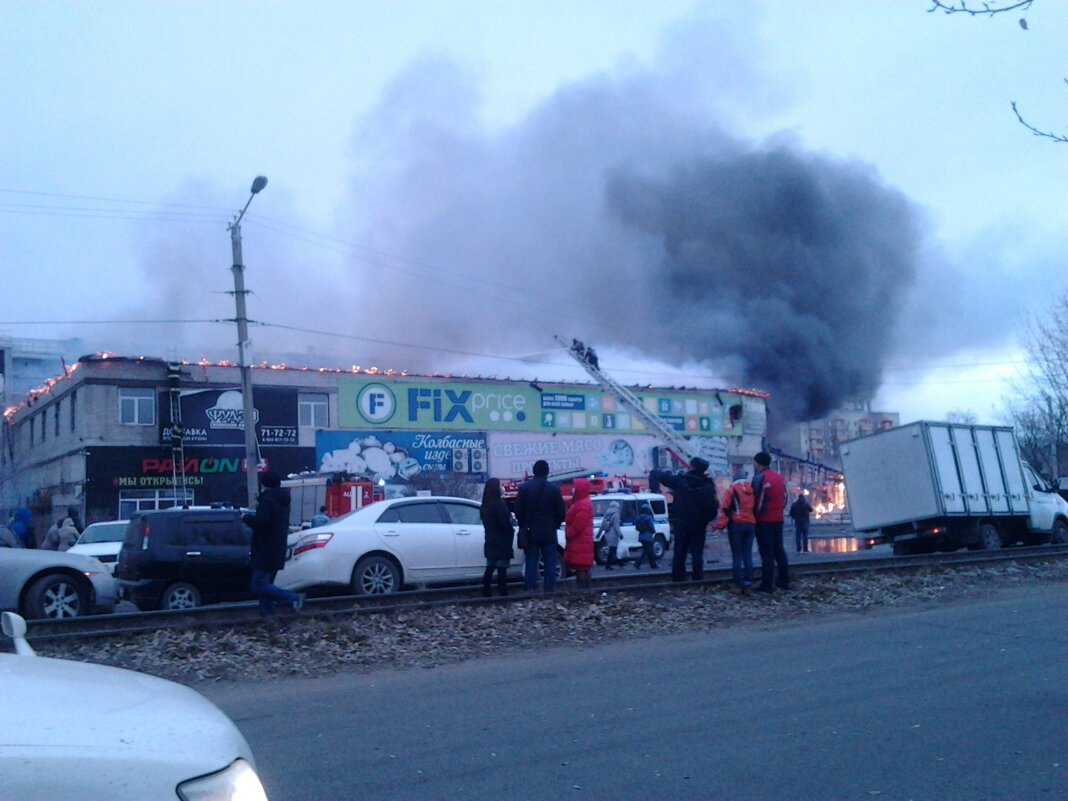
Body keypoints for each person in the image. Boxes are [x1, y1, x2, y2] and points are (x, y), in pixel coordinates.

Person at [242, 470, 305, 616]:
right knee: (267, 585)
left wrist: (246, 518)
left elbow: (261, 523)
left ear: (264, 484)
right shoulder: (282, 500)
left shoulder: (267, 501)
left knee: (258, 585)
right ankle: (267, 616)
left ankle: (293, 598)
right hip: (277, 547)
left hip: (265, 549)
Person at [650, 457, 719, 582]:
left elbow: (664, 478)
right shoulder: (708, 486)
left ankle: (678, 579)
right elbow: (713, 508)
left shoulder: (681, 481)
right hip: (699, 525)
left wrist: (654, 471)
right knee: (697, 554)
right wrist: (705, 520)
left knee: (679, 553)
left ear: (692, 467)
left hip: (681, 523)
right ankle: (697, 579)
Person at [514, 459, 566, 593]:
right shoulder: (554, 488)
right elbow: (561, 511)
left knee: (531, 560)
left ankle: (530, 588)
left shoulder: (525, 487)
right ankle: (549, 588)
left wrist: (524, 524)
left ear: (534, 471)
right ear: (547, 472)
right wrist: (555, 524)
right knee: (550, 560)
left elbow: (518, 509)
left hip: (531, 530)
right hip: (549, 530)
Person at [752, 451, 789, 593]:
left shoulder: (759, 477)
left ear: (758, 463)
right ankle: (783, 580)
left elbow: (753, 499)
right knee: (779, 550)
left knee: (766, 553)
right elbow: (784, 498)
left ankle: (767, 584)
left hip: (763, 520)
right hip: (778, 518)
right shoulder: (779, 478)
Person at [715, 470, 756, 593]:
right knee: (747, 554)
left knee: (737, 554)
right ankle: (749, 579)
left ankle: (738, 580)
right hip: (750, 523)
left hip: (737, 524)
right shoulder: (752, 490)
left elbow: (725, 508)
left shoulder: (731, 490)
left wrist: (720, 525)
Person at [479, 478, 514, 597]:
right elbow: (505, 523)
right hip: (502, 539)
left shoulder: (485, 505)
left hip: (490, 538)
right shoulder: (499, 504)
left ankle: (486, 591)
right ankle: (503, 592)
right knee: (502, 568)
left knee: (490, 566)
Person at [564, 478, 594, 589]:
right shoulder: (584, 503)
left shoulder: (582, 505)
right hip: (582, 542)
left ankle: (583, 591)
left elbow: (578, 525)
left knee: (581, 569)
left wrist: (569, 533)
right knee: (583, 568)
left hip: (579, 542)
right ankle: (586, 591)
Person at [632, 501, 659, 569]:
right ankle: (637, 563)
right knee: (646, 551)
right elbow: (651, 526)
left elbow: (636, 526)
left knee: (650, 551)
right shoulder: (648, 517)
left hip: (641, 536)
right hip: (648, 536)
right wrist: (653, 531)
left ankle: (653, 565)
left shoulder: (638, 517)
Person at [597, 501, 623, 569]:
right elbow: (616, 526)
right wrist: (620, 534)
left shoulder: (607, 513)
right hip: (613, 533)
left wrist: (599, 534)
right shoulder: (616, 514)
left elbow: (603, 524)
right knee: (613, 549)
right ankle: (608, 565)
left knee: (613, 549)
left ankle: (619, 563)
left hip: (607, 533)